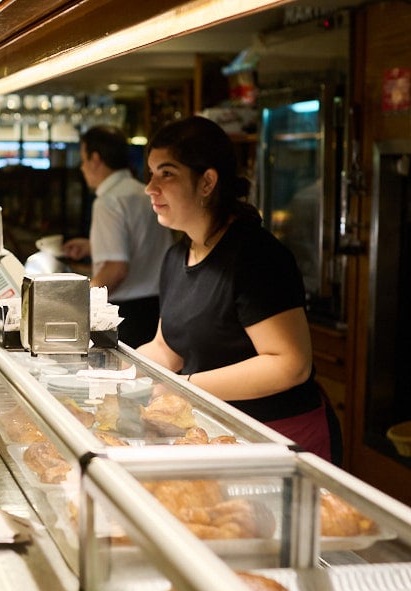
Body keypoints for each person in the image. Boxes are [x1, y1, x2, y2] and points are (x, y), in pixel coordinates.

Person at [136, 115, 340, 463]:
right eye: (151, 173)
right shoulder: (176, 257)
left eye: (166, 173)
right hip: (219, 431)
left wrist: (184, 387)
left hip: (278, 435)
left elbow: (290, 364)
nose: (150, 187)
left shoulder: (256, 257)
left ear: (207, 182)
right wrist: (109, 371)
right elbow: (166, 349)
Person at [61, 125, 172, 346]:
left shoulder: (108, 201)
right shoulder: (142, 192)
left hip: (127, 312)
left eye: (83, 160)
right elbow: (141, 244)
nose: (82, 168)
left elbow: (116, 268)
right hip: (159, 307)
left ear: (95, 159)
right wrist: (92, 246)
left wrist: (77, 304)